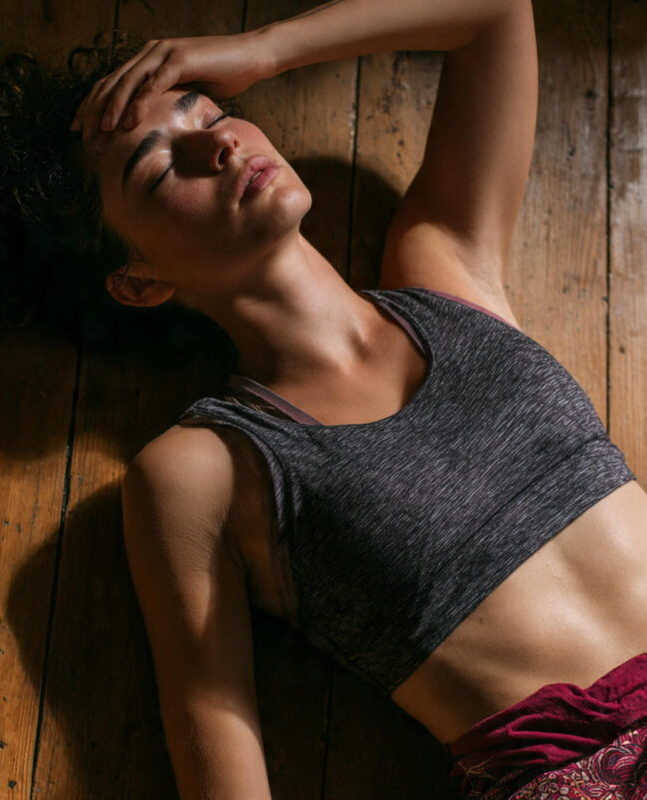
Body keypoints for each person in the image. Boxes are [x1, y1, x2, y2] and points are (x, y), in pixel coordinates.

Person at [69, 0, 647, 798]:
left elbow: (496, 13)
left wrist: (264, 48)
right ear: (139, 279)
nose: (218, 143)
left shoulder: (445, 271)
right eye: (163, 166)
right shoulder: (204, 470)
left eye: (211, 112)